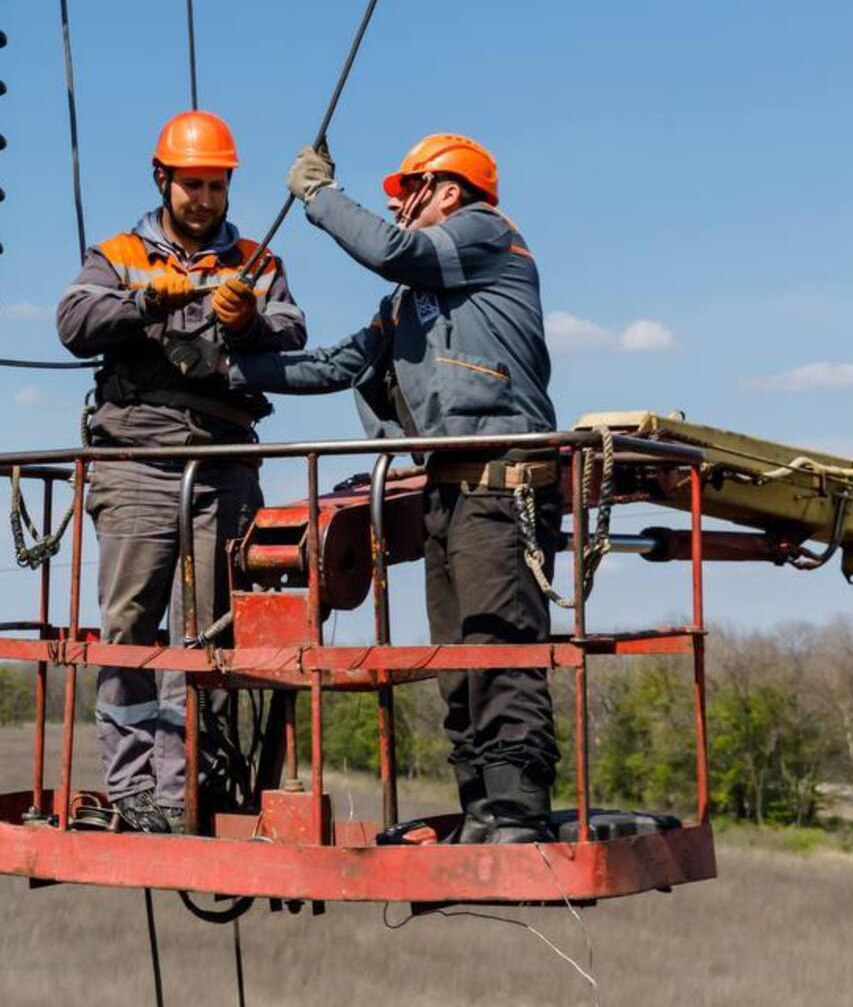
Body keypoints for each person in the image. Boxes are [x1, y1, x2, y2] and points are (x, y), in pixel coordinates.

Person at [228, 133, 561, 843]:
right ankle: (482, 809)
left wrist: (319, 196)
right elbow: (334, 366)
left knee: (499, 652)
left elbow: (392, 249)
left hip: (504, 486)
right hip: (447, 492)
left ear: (447, 189)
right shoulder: (408, 305)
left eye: (407, 190)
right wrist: (226, 367)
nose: (397, 204)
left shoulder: (487, 235)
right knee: (457, 663)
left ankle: (518, 815)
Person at [55, 111, 307, 833]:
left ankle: (187, 784)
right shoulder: (120, 254)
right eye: (191, 184)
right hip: (136, 462)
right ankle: (135, 789)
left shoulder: (257, 261)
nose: (203, 198)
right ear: (162, 180)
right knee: (131, 624)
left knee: (208, 632)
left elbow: (292, 332)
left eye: (216, 185)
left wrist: (245, 321)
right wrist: (144, 302)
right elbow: (73, 323)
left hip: (222, 464)